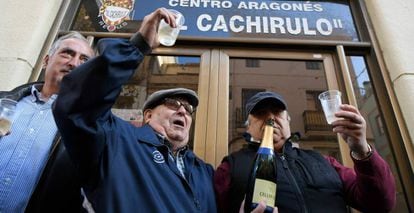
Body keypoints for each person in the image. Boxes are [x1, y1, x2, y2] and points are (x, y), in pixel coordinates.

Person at [52, 8, 219, 212]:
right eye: (173, 104)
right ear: (148, 115)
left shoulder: (205, 171)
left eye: (188, 108)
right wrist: (138, 45)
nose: (183, 111)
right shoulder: (115, 140)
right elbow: (78, 104)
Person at [214, 91, 396, 213]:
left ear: (288, 121)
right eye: (261, 113)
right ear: (248, 126)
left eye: (277, 112)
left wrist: (361, 148)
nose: (270, 118)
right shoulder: (230, 167)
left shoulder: (324, 161)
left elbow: (380, 204)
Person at [0, 32, 94, 212]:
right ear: (46, 60)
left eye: (84, 60)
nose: (74, 63)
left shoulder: (87, 128)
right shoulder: (3, 103)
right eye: (67, 53)